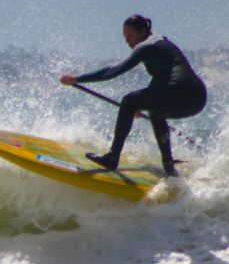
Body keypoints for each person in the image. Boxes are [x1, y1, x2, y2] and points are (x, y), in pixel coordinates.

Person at [60, 14, 207, 177]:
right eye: (125, 37)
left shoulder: (146, 46)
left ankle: (112, 157)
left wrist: (78, 79)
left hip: (181, 92)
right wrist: (142, 105)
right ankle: (169, 167)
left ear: (143, 30)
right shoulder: (161, 43)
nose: (127, 41)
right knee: (154, 112)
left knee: (129, 100)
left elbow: (113, 71)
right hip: (198, 99)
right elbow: (162, 81)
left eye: (130, 35)